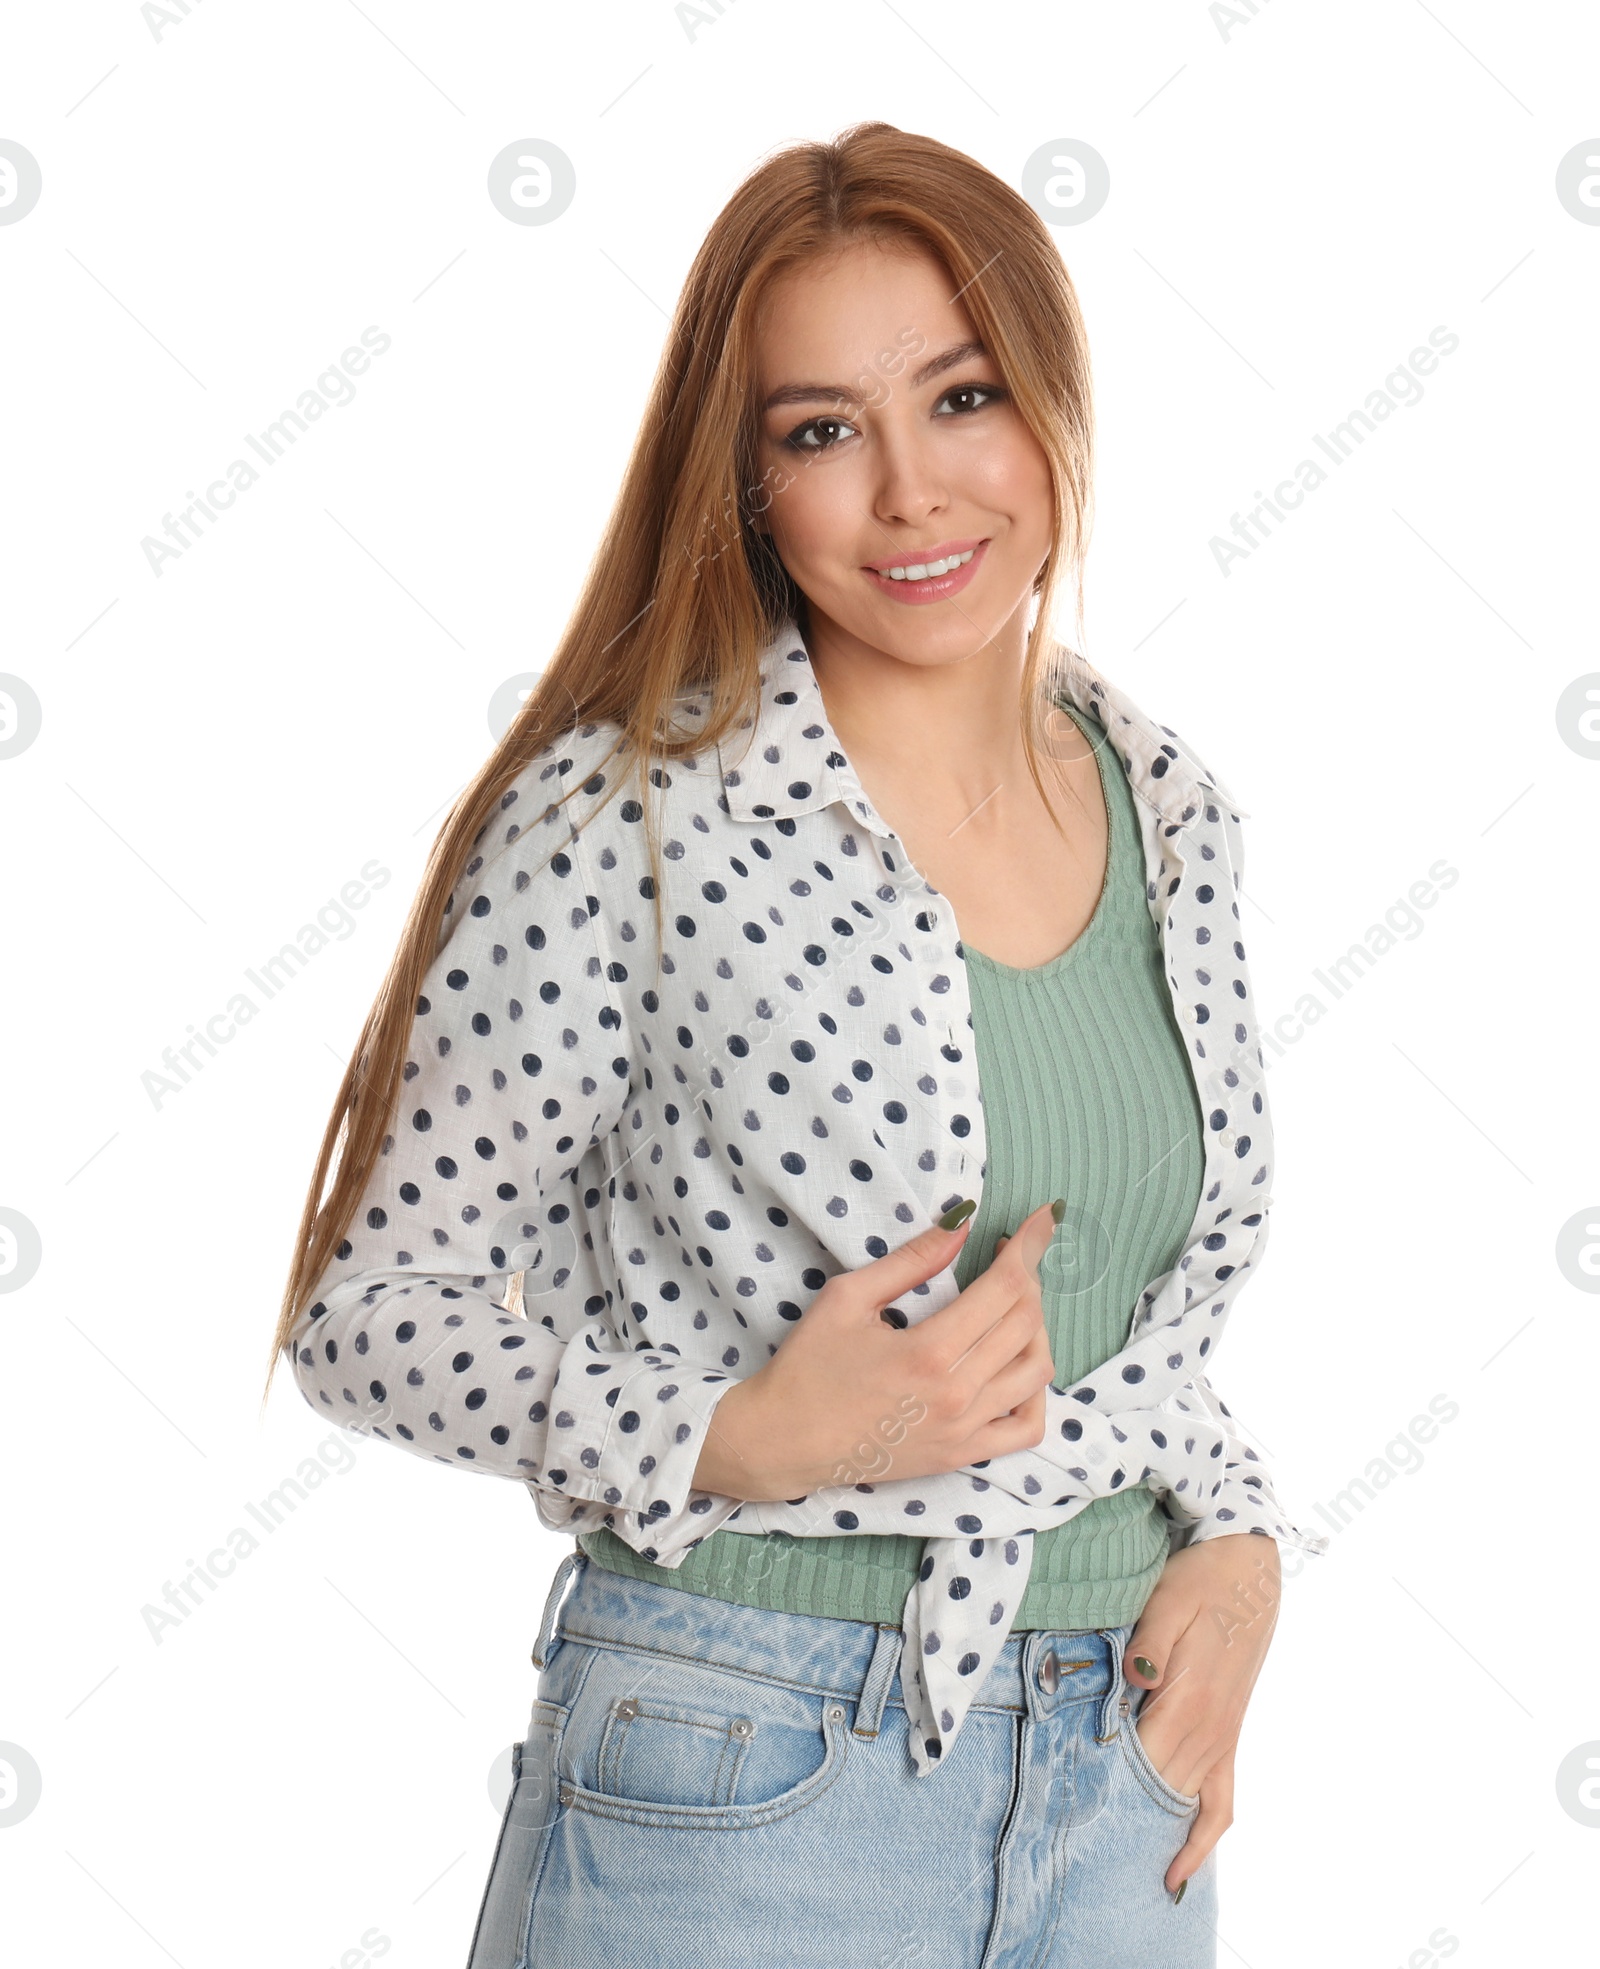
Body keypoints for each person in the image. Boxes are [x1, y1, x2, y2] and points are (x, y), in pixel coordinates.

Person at [266, 119, 1326, 1969]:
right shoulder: (633, 817)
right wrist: (735, 1433)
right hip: (738, 1773)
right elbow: (376, 1309)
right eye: (821, 430)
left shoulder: (1177, 811)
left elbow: (1136, 1332)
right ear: (750, 484)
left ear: (1054, 402)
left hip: (1117, 1787)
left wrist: (1237, 1555)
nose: (913, 492)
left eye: (965, 396)